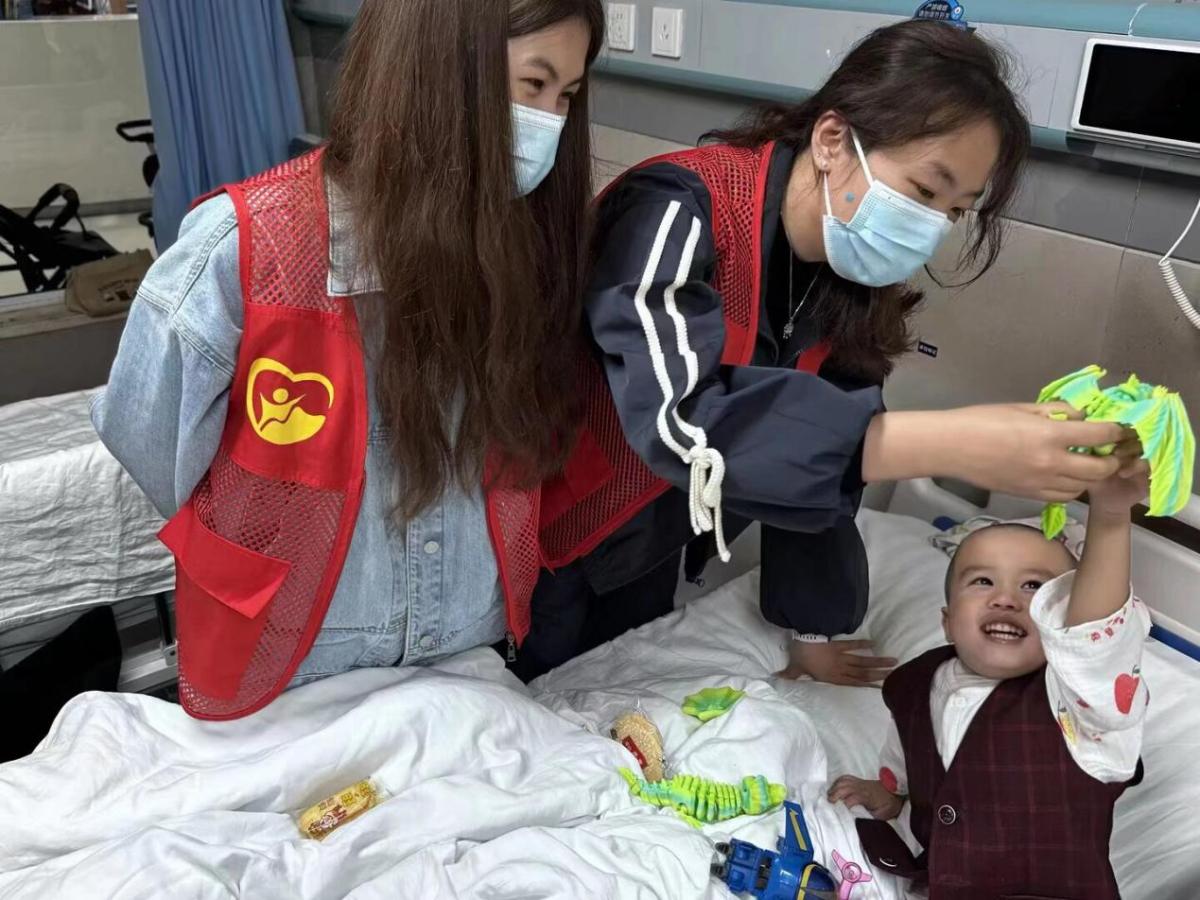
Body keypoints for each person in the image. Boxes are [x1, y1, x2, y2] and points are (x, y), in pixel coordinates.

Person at [521, 20, 1132, 684]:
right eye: (926, 191)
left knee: (608, 697)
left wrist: (811, 628)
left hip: (657, 536)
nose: (931, 227)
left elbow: (820, 460)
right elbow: (680, 419)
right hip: (552, 530)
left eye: (955, 211)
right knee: (530, 690)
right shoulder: (675, 208)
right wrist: (950, 443)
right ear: (832, 140)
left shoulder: (849, 277)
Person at [91, 0, 606, 719]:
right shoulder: (245, 249)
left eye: (567, 96)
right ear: (435, 73)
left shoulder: (523, 252)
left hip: (465, 657)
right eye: (533, 85)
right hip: (287, 669)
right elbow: (145, 432)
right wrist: (260, 526)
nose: (549, 122)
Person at [828, 451, 1151, 899]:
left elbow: (1097, 637)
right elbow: (910, 752)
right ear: (947, 622)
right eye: (982, 581)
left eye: (1034, 586)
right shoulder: (915, 683)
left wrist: (1110, 517)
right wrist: (894, 795)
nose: (1005, 599)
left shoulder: (1077, 703)